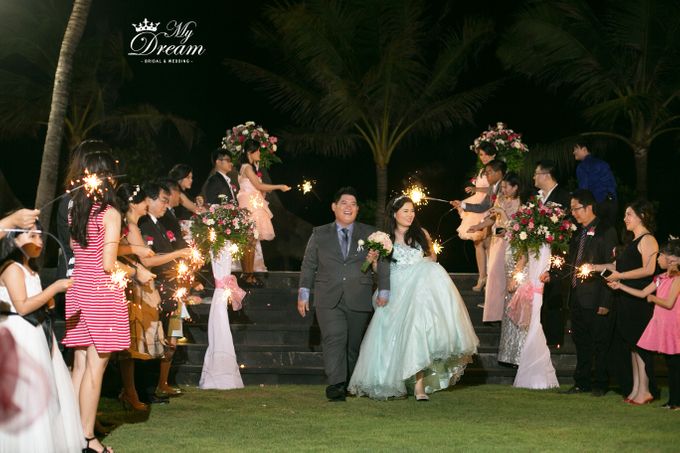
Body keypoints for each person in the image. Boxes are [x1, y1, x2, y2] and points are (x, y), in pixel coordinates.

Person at [63, 147, 151, 453]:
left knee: (79, 365)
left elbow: (87, 252)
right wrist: (136, 272)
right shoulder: (110, 213)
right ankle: (88, 439)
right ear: (107, 177)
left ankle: (71, 434)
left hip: (78, 289)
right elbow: (108, 263)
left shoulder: (76, 210)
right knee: (95, 368)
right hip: (101, 293)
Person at [348, 196, 479, 400]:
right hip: (397, 289)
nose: (410, 215)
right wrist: (372, 261)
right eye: (405, 211)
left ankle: (419, 386)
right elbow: (380, 271)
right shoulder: (385, 239)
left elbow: (432, 258)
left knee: (419, 327)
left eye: (412, 211)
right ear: (395, 213)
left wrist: (420, 268)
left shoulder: (421, 233)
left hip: (420, 289)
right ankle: (393, 378)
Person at [297, 187, 390, 401]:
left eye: (353, 204)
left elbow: (383, 263)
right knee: (334, 338)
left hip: (358, 295)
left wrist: (384, 289)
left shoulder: (371, 234)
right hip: (327, 297)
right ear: (334, 207)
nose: (349, 207)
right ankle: (336, 384)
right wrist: (303, 293)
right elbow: (309, 265)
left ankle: (348, 382)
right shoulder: (319, 233)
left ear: (357, 209)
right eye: (344, 203)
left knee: (352, 345)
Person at [0, 224, 84, 452]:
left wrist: (48, 301)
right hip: (21, 334)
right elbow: (22, 306)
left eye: (40, 236)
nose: (39, 241)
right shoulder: (12, 268)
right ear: (14, 240)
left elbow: (35, 300)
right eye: (32, 236)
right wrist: (54, 289)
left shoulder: (31, 269)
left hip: (38, 332)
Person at [547, 189, 618, 396]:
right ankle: (582, 382)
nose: (573, 213)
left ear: (589, 207)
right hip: (576, 296)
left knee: (599, 343)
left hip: (596, 297)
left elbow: (612, 268)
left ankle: (600, 383)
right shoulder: (578, 233)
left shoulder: (606, 231)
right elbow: (571, 263)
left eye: (576, 208)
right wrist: (553, 275)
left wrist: (606, 301)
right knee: (581, 341)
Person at [593, 200, 659, 404]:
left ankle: (646, 390)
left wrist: (620, 277)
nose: (625, 219)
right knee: (633, 345)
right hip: (626, 297)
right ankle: (637, 389)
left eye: (629, 214)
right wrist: (594, 267)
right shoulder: (632, 241)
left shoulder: (648, 239)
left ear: (642, 216)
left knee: (641, 345)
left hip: (639, 299)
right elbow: (616, 266)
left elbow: (649, 270)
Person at [609, 239, 680, 409]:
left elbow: (669, 303)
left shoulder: (677, 279)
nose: (657, 260)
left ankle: (676, 401)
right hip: (663, 324)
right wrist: (620, 286)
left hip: (674, 326)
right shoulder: (660, 278)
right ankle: (673, 401)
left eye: (660, 256)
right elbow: (642, 293)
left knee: (675, 364)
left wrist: (653, 298)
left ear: (671, 259)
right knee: (671, 363)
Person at [138, 182, 193, 399]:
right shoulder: (143, 225)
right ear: (149, 200)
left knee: (172, 337)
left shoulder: (161, 224)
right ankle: (148, 387)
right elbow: (149, 260)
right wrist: (178, 254)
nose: (166, 204)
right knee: (157, 337)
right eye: (162, 200)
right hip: (156, 287)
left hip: (172, 287)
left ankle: (163, 382)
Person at [115, 184, 164, 412]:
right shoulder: (126, 225)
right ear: (134, 203)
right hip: (129, 283)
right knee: (129, 344)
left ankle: (131, 391)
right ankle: (130, 392)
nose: (147, 204)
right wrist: (138, 253)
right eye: (144, 200)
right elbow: (113, 251)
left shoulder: (127, 225)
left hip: (133, 280)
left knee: (131, 346)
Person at [454, 159, 508, 315]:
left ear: (499, 173)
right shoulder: (493, 188)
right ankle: (492, 304)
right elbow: (484, 207)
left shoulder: (505, 188)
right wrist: (463, 205)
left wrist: (488, 228)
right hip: (496, 231)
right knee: (493, 266)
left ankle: (497, 305)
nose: (487, 175)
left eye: (489, 172)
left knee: (498, 268)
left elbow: (504, 217)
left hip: (505, 234)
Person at [237, 139, 291, 284]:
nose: (260, 154)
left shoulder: (251, 167)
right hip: (250, 206)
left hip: (253, 204)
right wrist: (279, 186)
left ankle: (249, 274)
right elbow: (258, 185)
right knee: (249, 241)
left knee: (251, 241)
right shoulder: (247, 168)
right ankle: (247, 275)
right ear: (250, 152)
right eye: (258, 151)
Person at [533, 159, 571, 346]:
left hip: (556, 253)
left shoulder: (563, 197)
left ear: (546, 175)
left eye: (536, 173)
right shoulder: (538, 198)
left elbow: (566, 227)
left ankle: (554, 339)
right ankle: (539, 335)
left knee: (554, 294)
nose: (533, 177)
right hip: (538, 254)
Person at [455, 142, 497, 291]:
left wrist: (476, 188)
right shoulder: (481, 171)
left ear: (493, 155)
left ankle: (491, 278)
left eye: (486, 154)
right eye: (481, 154)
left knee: (488, 242)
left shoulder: (495, 170)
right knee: (477, 243)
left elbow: (493, 189)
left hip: (488, 205)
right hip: (477, 204)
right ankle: (482, 276)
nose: (483, 157)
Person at [573, 140, 617, 227]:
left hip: (596, 206)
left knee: (593, 232)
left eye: (575, 149)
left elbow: (584, 191)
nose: (573, 152)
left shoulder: (582, 167)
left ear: (584, 149)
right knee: (610, 230)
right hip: (612, 204)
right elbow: (613, 184)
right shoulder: (603, 163)